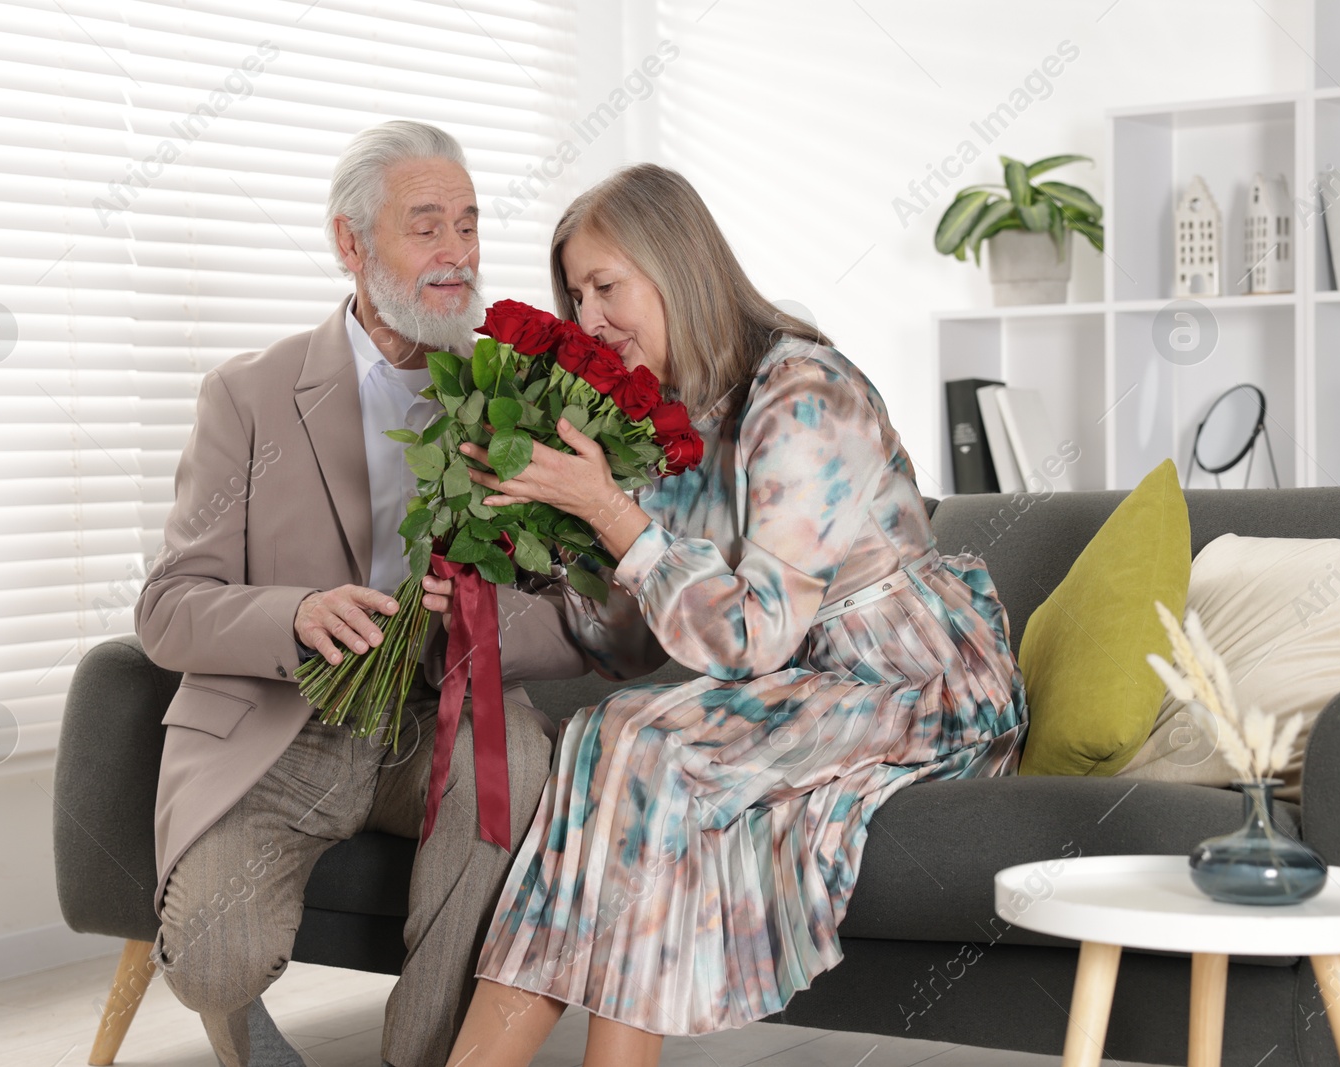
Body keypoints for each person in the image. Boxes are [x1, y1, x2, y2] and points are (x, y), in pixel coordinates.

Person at [426, 163, 1029, 1066]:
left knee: (643, 741)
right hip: (810, 687)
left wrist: (614, 514)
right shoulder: (673, 421)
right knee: (613, 731)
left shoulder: (800, 394)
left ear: (675, 266)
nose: (586, 320)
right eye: (575, 294)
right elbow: (632, 643)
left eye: (605, 286)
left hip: (926, 688)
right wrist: (535, 552)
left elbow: (753, 637)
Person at [134, 120, 586, 1067]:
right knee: (213, 962)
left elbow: (579, 614)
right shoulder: (248, 395)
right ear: (351, 243)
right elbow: (169, 605)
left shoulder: (518, 401)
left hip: (432, 718)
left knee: (521, 756)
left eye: (468, 225)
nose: (456, 252)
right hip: (281, 719)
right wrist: (293, 616)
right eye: (427, 226)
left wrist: (477, 616)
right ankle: (240, 1023)